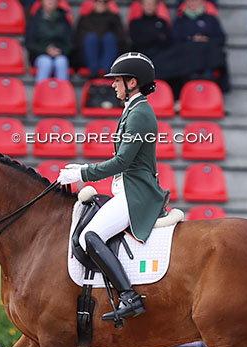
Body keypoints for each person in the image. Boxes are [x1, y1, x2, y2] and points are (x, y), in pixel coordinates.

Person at [57, 52, 166, 323]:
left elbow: (122, 161)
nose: (112, 85)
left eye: (117, 80)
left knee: (90, 235)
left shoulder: (140, 113)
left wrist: (83, 173)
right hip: (127, 188)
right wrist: (82, 167)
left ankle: (129, 297)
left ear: (133, 82)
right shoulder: (133, 109)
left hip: (136, 193)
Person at [75, 0, 128, 77]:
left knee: (109, 38)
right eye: (98, 2)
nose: (100, 4)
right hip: (89, 54)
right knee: (91, 39)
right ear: (94, 3)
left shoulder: (114, 19)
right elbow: (79, 39)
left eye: (103, 2)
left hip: (110, 53)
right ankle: (93, 71)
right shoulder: (85, 19)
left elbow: (121, 39)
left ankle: (106, 70)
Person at [25, 0, 74, 83]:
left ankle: (63, 93)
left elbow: (70, 43)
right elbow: (30, 43)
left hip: (60, 54)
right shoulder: (35, 19)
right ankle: (41, 93)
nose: (50, 1)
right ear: (42, 2)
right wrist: (45, 50)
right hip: (40, 54)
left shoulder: (64, 20)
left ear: (57, 2)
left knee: (62, 62)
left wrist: (60, 50)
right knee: (46, 62)